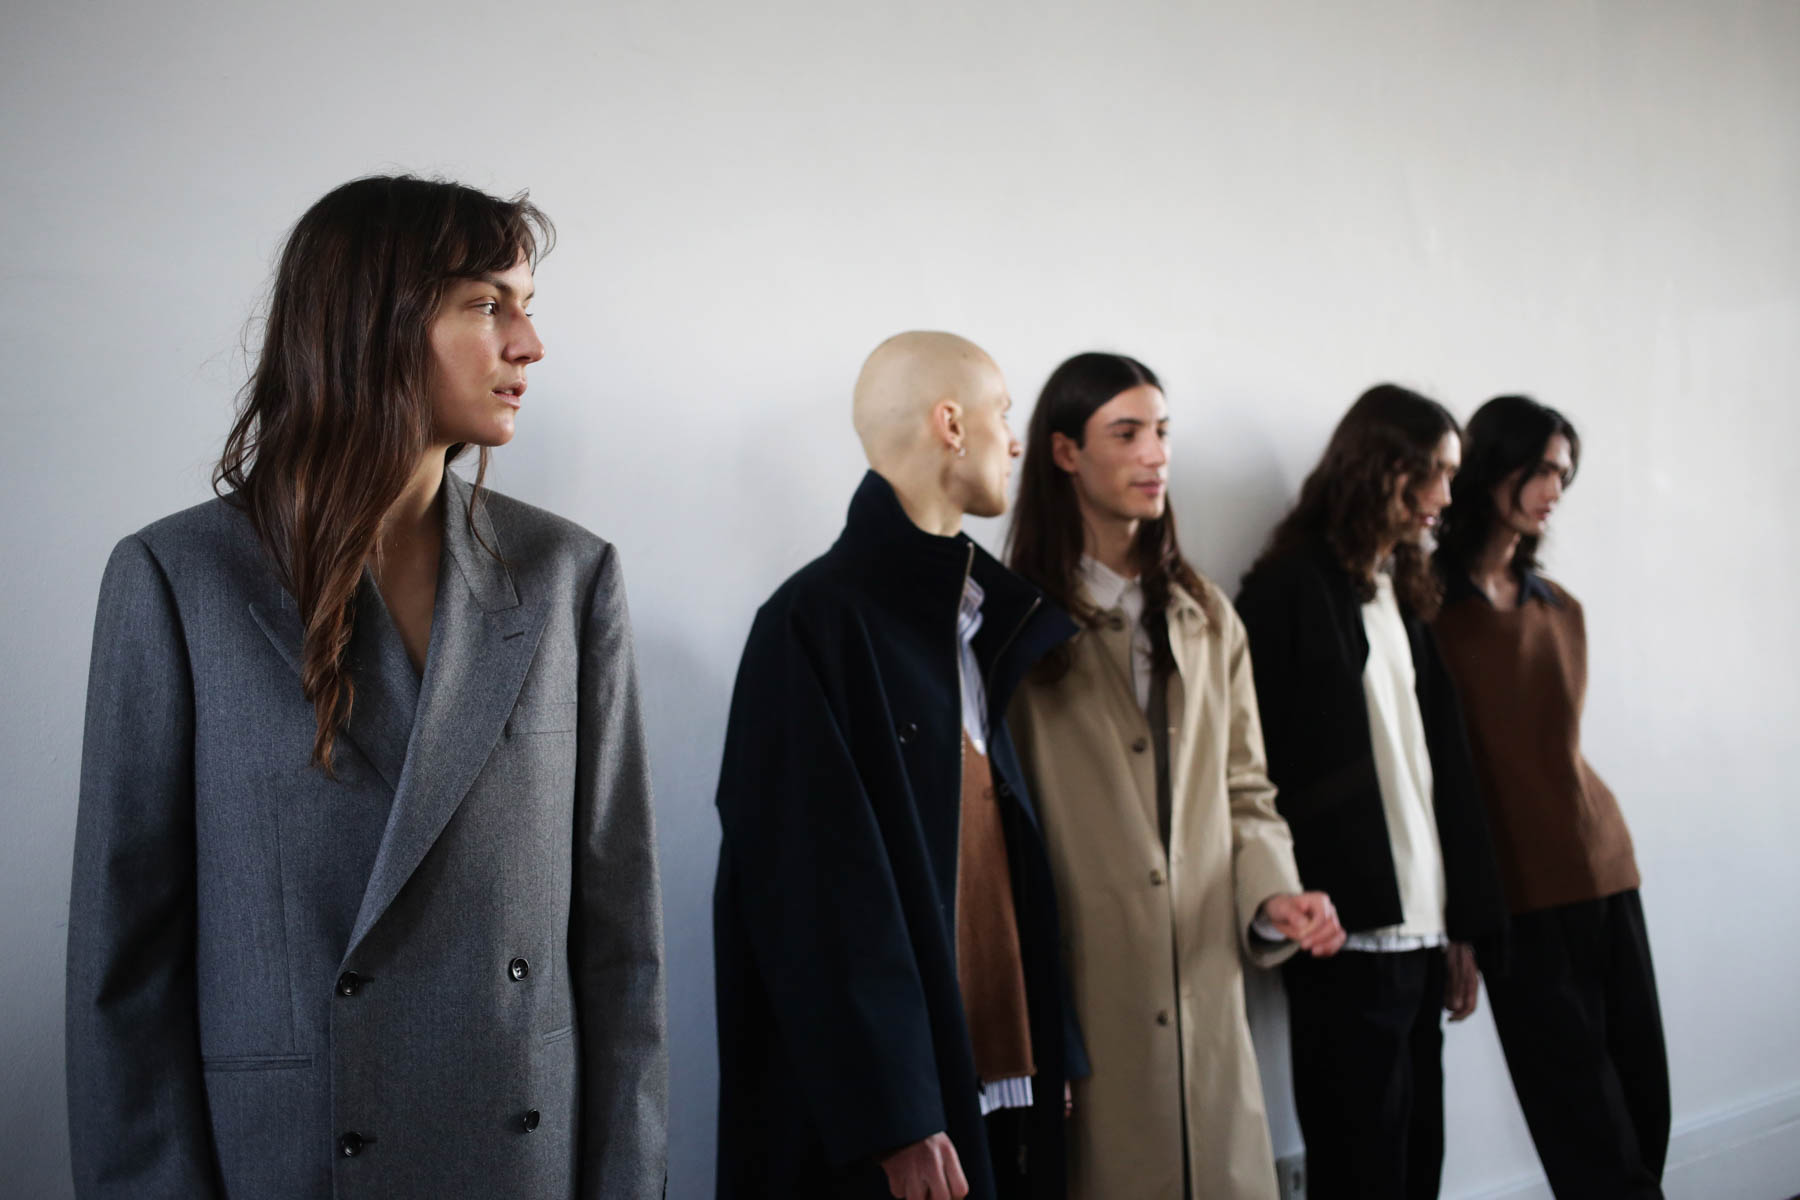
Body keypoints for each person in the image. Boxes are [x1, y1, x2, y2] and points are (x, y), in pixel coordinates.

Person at [66, 175, 668, 1199]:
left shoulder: (568, 577)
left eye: (527, 307)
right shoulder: (179, 580)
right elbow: (123, 969)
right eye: (487, 305)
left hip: (518, 1162)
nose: (529, 345)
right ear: (372, 323)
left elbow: (621, 947)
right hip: (287, 1162)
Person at [712, 331, 1085, 1200]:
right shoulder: (812, 624)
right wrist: (895, 1115)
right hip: (896, 1125)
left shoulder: (970, 621)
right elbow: (811, 897)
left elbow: (1000, 854)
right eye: (1002, 415)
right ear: (950, 424)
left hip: (997, 1082)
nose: (1015, 442)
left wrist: (1049, 1039)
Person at [1003, 352, 1344, 1200]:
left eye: (1161, 431)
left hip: (1207, 994)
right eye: (1126, 433)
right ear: (1064, 452)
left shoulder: (1208, 616)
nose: (1155, 454)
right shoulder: (1012, 628)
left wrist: (1274, 895)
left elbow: (1246, 790)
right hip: (1085, 999)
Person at [1234, 383, 1508, 1200]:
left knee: (1418, 1164)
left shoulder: (1400, 591)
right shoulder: (1286, 589)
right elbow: (1256, 770)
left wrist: (1461, 924)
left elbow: (1439, 769)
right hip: (1343, 934)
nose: (1445, 498)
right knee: (1361, 1173)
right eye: (1435, 473)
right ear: (1382, 467)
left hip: (1422, 931)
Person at [1431, 394, 1668, 1199]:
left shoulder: (1561, 608)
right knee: (1581, 1120)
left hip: (1604, 867)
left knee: (1644, 1100)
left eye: (1564, 473)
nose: (1554, 490)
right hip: (1514, 894)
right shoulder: (1428, 609)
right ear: (1491, 467)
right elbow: (1438, 775)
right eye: (1539, 470)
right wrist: (1459, 918)